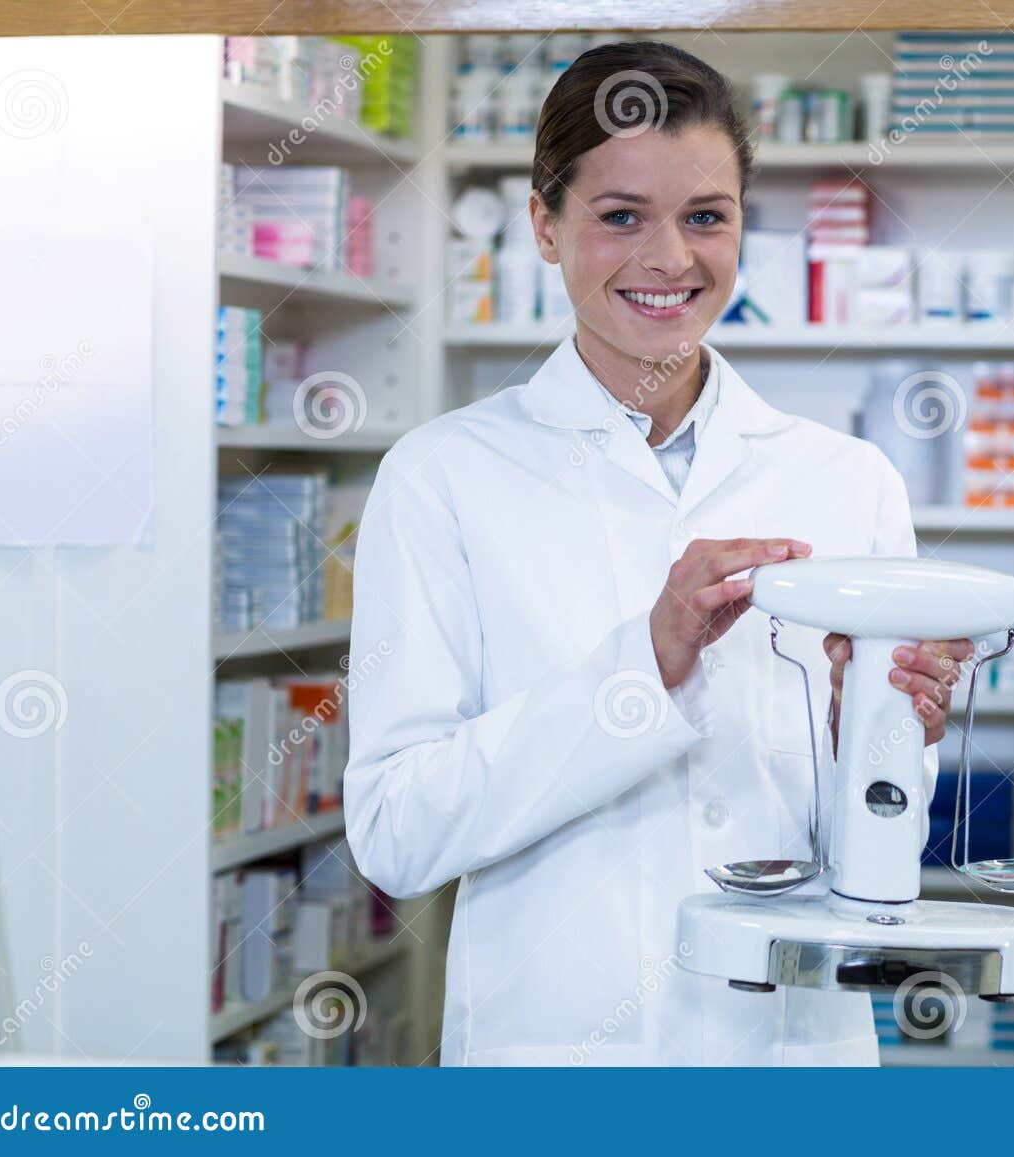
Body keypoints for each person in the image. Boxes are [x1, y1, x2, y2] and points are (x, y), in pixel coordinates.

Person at [344, 39, 973, 1066]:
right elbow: (397, 833)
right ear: (545, 226)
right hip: (556, 1055)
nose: (669, 258)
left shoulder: (848, 478)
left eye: (706, 217)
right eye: (621, 215)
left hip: (790, 1048)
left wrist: (875, 724)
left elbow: (881, 856)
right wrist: (647, 662)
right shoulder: (442, 476)